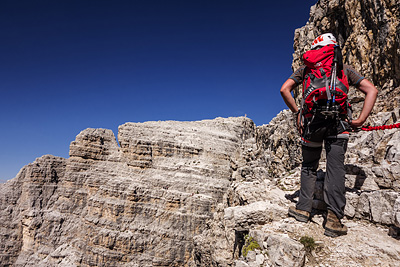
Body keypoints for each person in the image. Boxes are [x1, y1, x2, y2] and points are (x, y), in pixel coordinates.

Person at [280, 33, 378, 237]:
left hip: (312, 123)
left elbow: (284, 90)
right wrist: (360, 120)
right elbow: (372, 90)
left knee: (309, 166)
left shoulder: (306, 69)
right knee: (335, 168)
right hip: (338, 123)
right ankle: (333, 219)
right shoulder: (344, 69)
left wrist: (298, 112)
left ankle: (303, 209)